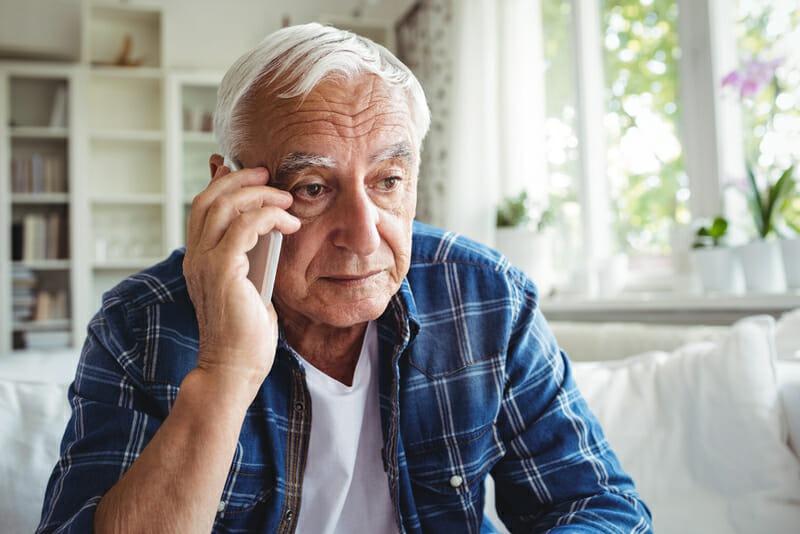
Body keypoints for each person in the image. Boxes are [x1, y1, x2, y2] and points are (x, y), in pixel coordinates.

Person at [38, 23, 652, 533]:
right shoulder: (138, 324)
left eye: (388, 181)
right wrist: (225, 372)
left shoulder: (487, 298)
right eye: (312, 188)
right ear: (230, 189)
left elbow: (599, 508)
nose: (363, 235)